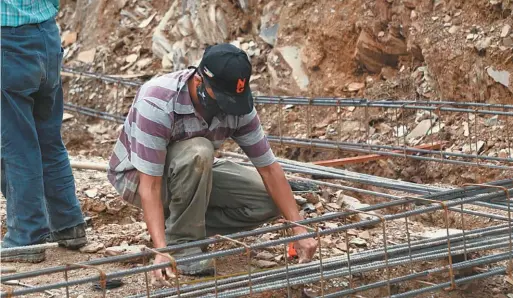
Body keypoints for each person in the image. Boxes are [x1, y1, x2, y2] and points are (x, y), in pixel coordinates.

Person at [107, 43, 318, 281]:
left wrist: (298, 229)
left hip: (191, 174)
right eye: (223, 100)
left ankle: (180, 226)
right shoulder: (157, 101)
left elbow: (269, 169)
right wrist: (161, 250)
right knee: (199, 151)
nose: (228, 109)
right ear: (199, 82)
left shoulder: (238, 107)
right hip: (137, 178)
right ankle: (182, 244)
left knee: (268, 202)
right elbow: (151, 185)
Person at [1, 0, 87, 262]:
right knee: (49, 140)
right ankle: (68, 224)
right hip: (46, 37)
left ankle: (26, 236)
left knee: (18, 147)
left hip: (8, 42)